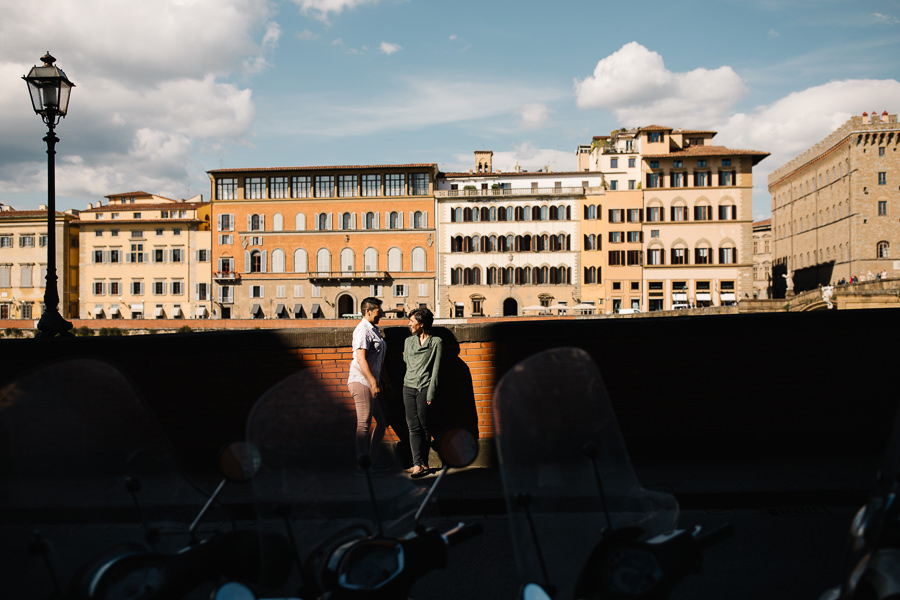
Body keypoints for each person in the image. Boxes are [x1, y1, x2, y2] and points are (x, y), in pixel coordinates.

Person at [402, 307, 442, 478]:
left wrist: (431, 392)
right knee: (412, 427)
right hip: (408, 387)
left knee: (424, 426)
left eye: (412, 321)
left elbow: (436, 370)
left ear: (421, 323)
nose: (409, 324)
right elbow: (406, 362)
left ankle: (423, 463)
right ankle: (417, 463)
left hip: (425, 387)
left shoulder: (436, 342)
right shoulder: (408, 342)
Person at [348, 297, 387, 463]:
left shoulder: (374, 329)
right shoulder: (362, 330)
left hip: (371, 382)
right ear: (368, 311)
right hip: (361, 381)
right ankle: (362, 465)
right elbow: (361, 359)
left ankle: (371, 460)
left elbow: (378, 360)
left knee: (382, 422)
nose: (382, 314)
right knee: (364, 424)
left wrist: (385, 382)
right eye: (379, 311)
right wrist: (372, 382)